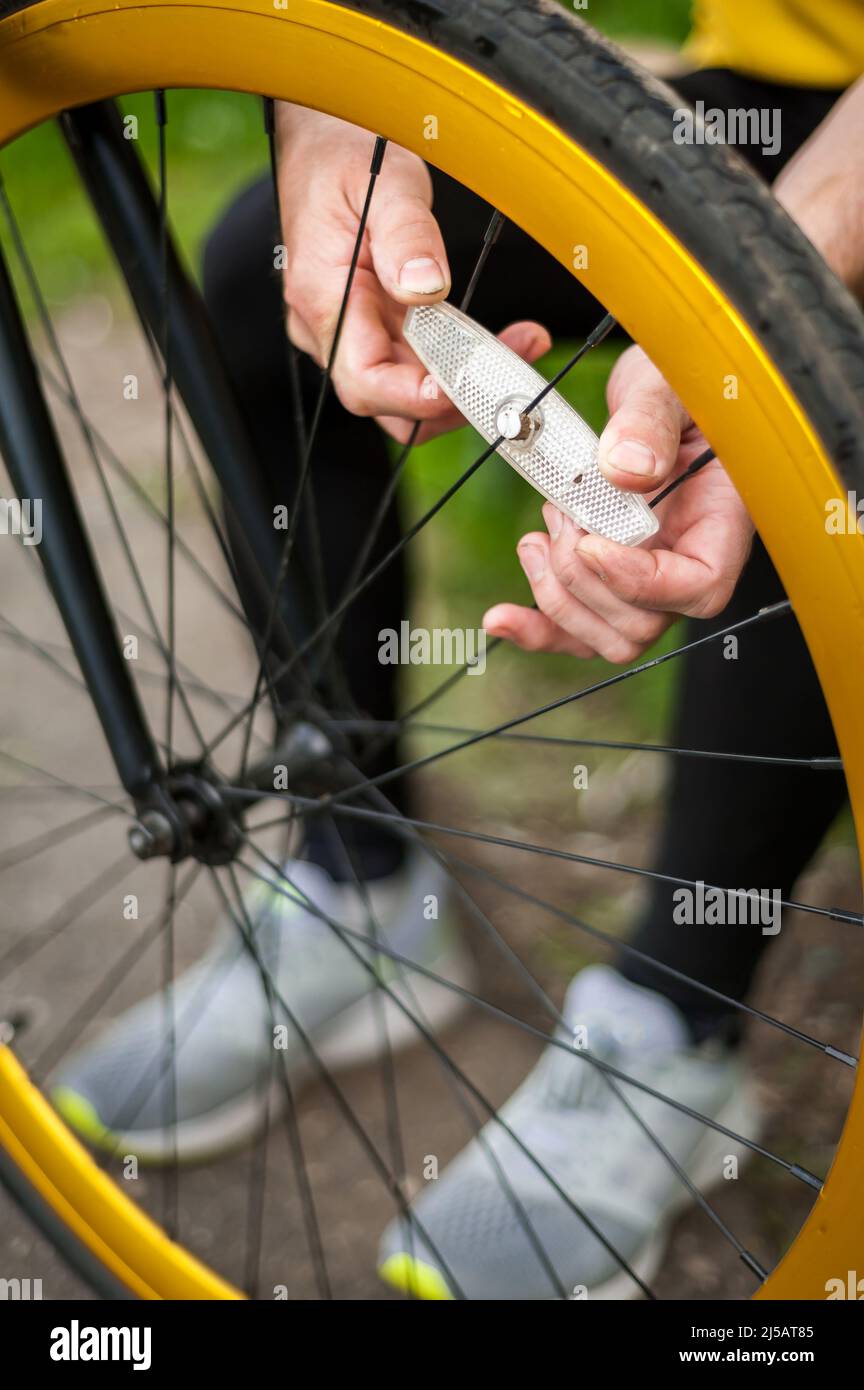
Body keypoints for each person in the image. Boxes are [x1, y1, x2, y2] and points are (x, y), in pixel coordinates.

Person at [51, 4, 864, 1297]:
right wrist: (327, 116)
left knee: (797, 435)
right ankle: (361, 885)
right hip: (780, 84)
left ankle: (672, 1026)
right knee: (268, 268)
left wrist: (767, 312)